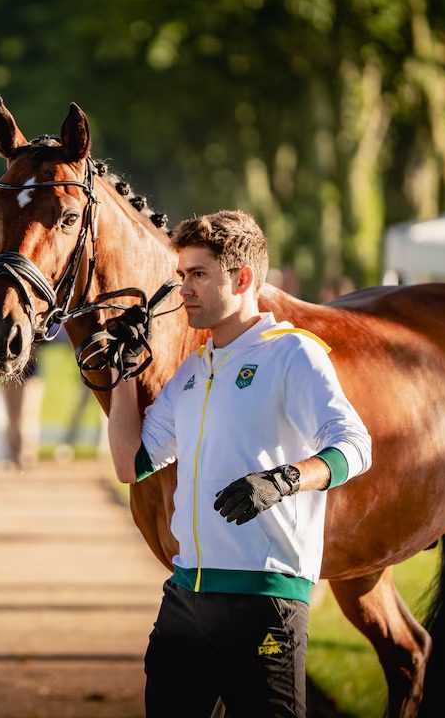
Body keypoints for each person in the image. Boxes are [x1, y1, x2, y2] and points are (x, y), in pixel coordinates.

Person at [105, 210, 372, 717]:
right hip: (185, 598)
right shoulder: (193, 368)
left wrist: (285, 480)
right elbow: (131, 463)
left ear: (243, 277)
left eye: (199, 275)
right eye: (181, 275)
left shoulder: (293, 353)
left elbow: (356, 445)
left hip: (265, 602)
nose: (184, 288)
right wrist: (121, 374)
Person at [2, 354, 43, 469]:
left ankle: (26, 453)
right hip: (8, 365)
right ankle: (13, 453)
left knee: (28, 412)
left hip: (29, 368)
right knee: (12, 413)